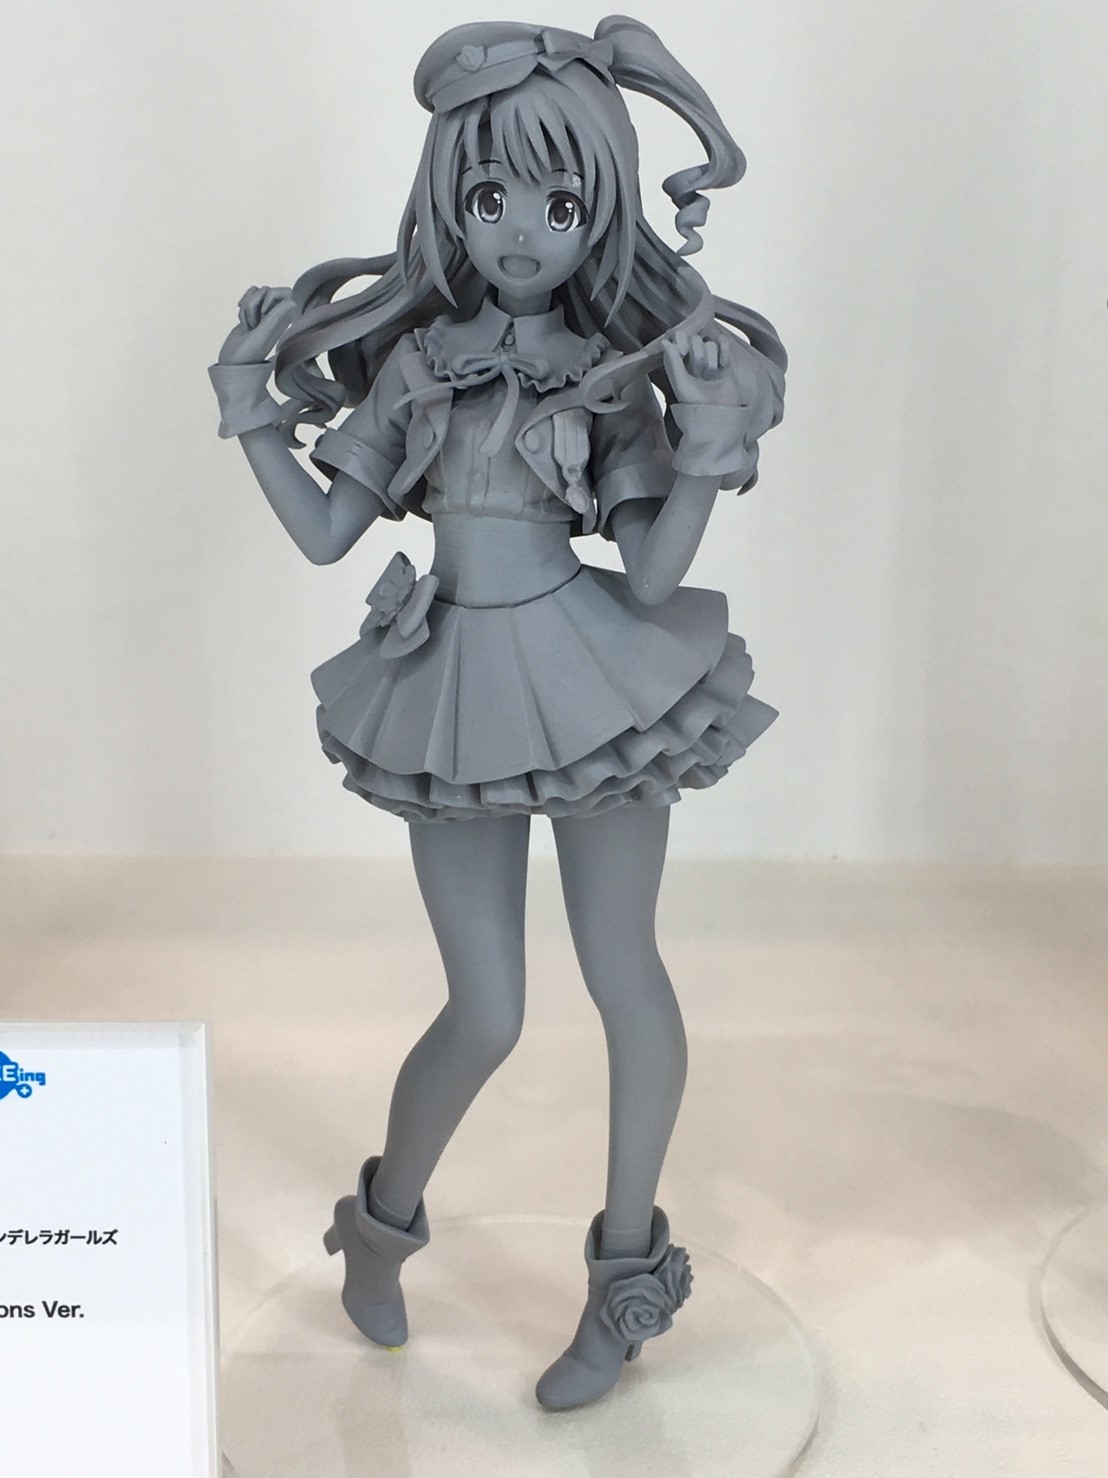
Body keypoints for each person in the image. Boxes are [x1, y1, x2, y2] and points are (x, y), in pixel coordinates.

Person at [210, 16, 786, 1410]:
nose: (523, 230)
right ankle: (377, 1229)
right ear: (448, 204)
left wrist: (706, 448)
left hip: (593, 678)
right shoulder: (419, 365)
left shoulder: (611, 375)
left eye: (561, 202)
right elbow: (326, 533)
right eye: (490, 196)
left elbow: (656, 574)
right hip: (453, 684)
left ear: (602, 213)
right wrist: (247, 406)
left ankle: (626, 1281)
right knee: (485, 1006)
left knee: (625, 976)